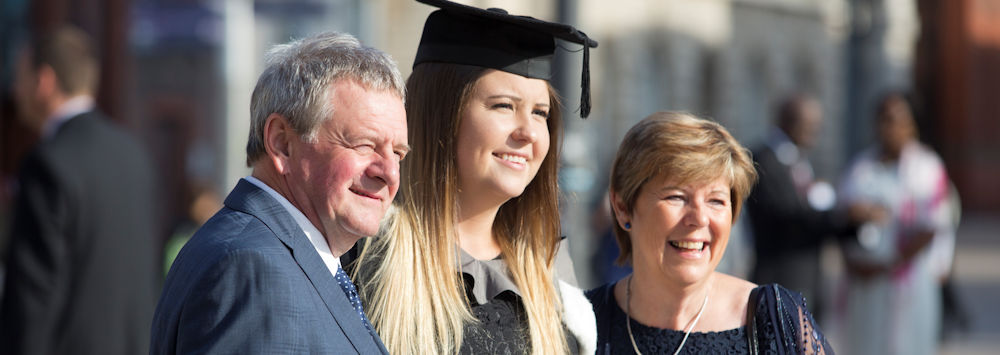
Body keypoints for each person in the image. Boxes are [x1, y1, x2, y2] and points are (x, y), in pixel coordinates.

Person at [348, 1, 598, 353]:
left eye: (540, 113)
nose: (529, 132)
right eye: (503, 106)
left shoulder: (550, 279)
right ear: (442, 114)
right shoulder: (362, 257)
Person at [149, 32, 406, 354]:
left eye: (398, 153)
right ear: (283, 143)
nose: (389, 173)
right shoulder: (252, 268)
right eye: (364, 144)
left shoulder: (279, 256)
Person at [587, 112, 833, 354]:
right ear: (622, 208)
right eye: (676, 197)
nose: (699, 218)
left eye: (716, 201)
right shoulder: (581, 324)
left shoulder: (777, 321)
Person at [0, 26, 159, 355]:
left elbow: (33, 299)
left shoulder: (47, 164)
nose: (15, 91)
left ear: (44, 81)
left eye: (20, 77)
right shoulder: (134, 156)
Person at [837, 93, 954, 355]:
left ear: (911, 124)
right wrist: (853, 260)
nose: (887, 128)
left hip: (906, 280)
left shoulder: (926, 167)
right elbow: (841, 218)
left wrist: (888, 264)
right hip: (864, 282)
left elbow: (931, 226)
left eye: (894, 120)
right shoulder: (861, 167)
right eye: (882, 120)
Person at [745, 95, 859, 319]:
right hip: (779, 278)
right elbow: (788, 216)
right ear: (789, 122)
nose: (815, 133)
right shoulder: (764, 160)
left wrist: (852, 225)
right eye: (810, 126)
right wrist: (844, 216)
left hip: (808, 277)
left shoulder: (797, 159)